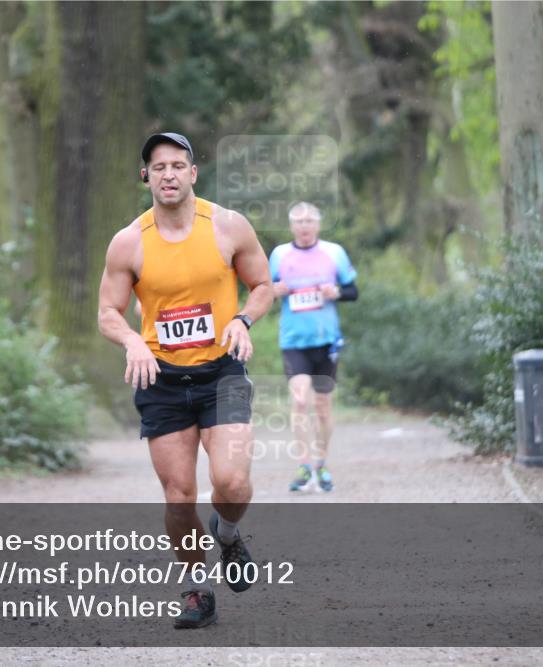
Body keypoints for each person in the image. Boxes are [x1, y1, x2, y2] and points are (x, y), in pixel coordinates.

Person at [98, 132, 273, 629]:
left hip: (223, 372)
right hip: (163, 379)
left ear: (193, 173)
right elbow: (107, 312)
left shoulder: (227, 226)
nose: (169, 174)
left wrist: (242, 320)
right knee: (179, 496)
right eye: (158, 167)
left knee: (232, 483)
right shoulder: (129, 241)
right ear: (146, 177)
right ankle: (198, 591)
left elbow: (262, 284)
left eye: (178, 165)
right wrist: (133, 342)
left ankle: (230, 534)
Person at [268, 202, 358, 493]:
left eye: (309, 221)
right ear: (292, 225)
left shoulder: (334, 253)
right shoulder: (280, 255)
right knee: (299, 400)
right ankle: (304, 465)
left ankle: (322, 463)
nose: (304, 226)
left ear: (318, 225)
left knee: (322, 406)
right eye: (298, 221)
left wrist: (337, 293)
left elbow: (353, 291)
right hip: (294, 341)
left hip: (326, 340)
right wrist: (272, 291)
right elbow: (263, 290)